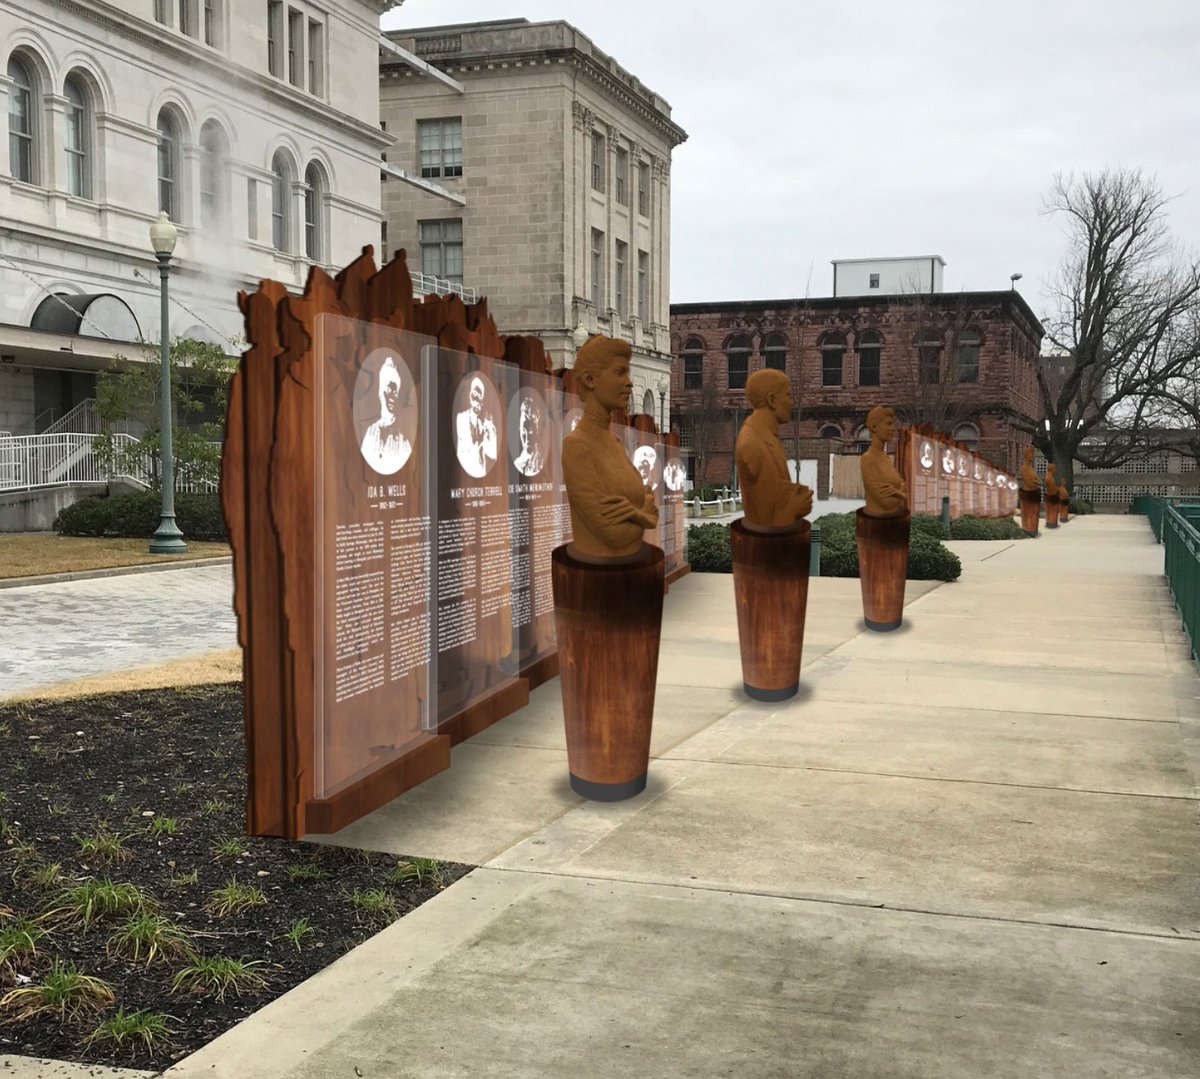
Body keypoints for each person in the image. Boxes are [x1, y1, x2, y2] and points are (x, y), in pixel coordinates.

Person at [561, 336, 658, 560]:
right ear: (590, 379)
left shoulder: (615, 443)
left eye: (628, 373)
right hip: (600, 575)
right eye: (620, 372)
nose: (629, 382)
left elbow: (651, 505)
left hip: (630, 570)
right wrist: (644, 515)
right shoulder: (577, 446)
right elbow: (614, 533)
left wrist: (635, 513)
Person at [734, 368, 812, 530]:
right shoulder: (753, 443)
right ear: (772, 400)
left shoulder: (767, 437)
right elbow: (770, 516)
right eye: (788, 395)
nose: (791, 403)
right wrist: (796, 506)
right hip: (767, 549)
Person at [359, 356, 412, 475]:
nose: (392, 397)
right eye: (388, 390)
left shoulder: (404, 441)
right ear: (380, 392)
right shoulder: (370, 433)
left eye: (395, 392)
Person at [860, 405, 908, 518]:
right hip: (877, 522)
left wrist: (896, 493)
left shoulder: (886, 458)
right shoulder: (868, 459)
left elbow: (904, 487)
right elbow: (886, 503)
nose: (893, 429)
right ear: (874, 427)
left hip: (894, 520)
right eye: (888, 424)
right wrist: (900, 493)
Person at [455, 375, 498, 478]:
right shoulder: (461, 418)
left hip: (479, 474)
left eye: (480, 397)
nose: (477, 400)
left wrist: (491, 430)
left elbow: (492, 453)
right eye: (475, 394)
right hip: (464, 474)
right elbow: (467, 446)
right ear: (470, 397)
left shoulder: (482, 424)